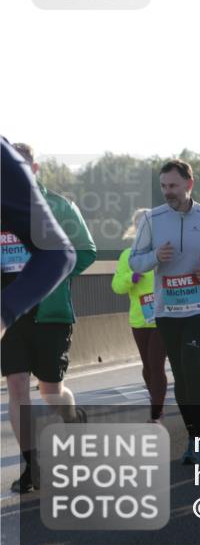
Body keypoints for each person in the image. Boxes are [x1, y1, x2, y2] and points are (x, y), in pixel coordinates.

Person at [130, 159, 200, 468]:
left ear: (190, 184)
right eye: (163, 187)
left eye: (173, 186)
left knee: (192, 365)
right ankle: (192, 438)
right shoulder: (152, 220)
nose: (168, 192)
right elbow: (134, 261)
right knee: (180, 375)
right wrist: (154, 257)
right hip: (168, 310)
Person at [1, 140, 80, 494]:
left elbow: (77, 253)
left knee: (50, 389)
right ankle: (33, 465)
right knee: (16, 385)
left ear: (34, 169)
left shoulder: (59, 206)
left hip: (46, 308)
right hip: (9, 304)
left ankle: (71, 416)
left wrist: (52, 285)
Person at [112, 209, 168, 421]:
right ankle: (156, 401)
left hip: (163, 316)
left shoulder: (164, 251)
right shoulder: (127, 256)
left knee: (156, 364)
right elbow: (116, 286)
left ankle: (157, 412)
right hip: (140, 318)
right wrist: (131, 277)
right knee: (147, 367)